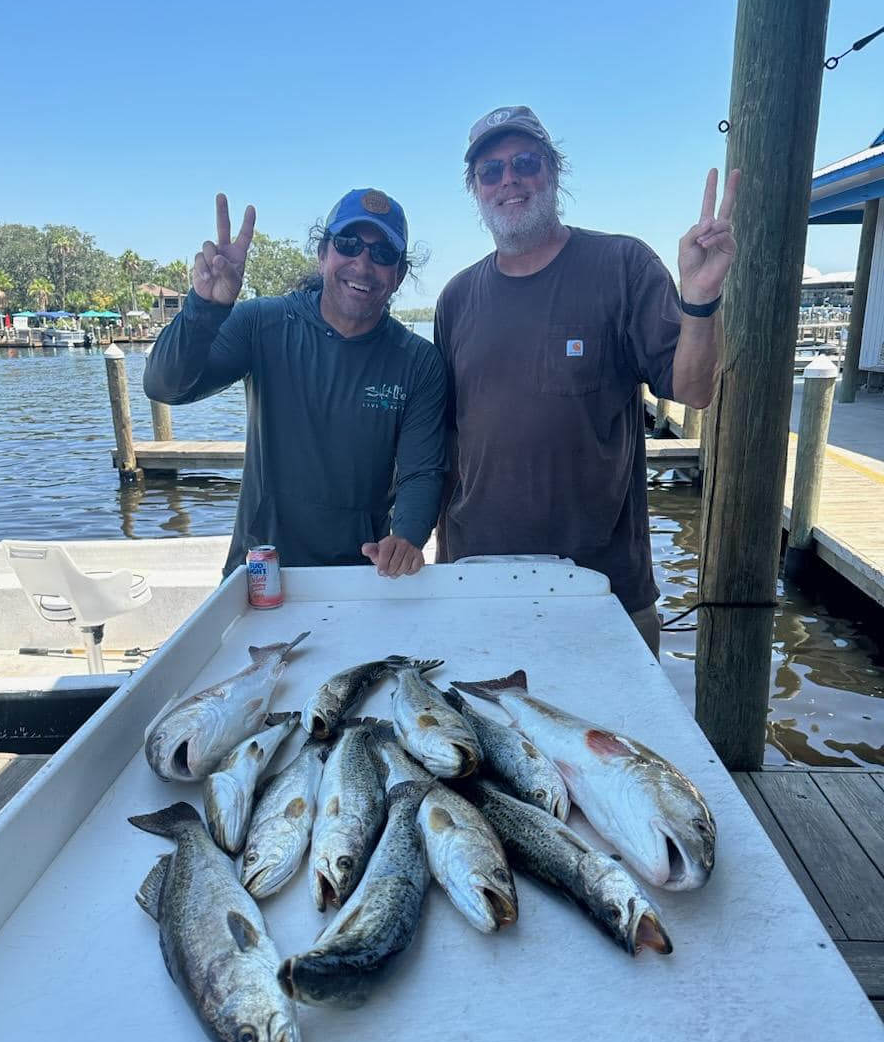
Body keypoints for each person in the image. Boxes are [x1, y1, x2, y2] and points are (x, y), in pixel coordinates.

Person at [434, 105, 740, 656]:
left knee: (618, 741)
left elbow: (694, 390)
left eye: (525, 162)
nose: (509, 180)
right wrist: (439, 560)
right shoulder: (456, 298)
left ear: (553, 171)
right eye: (490, 170)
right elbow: (447, 439)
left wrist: (700, 301)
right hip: (476, 575)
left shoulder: (623, 264)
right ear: (475, 187)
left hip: (602, 583)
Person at [144, 189, 447, 579]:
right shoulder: (260, 324)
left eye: (383, 253)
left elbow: (421, 471)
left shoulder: (418, 361)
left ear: (399, 275)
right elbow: (165, 386)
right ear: (323, 255)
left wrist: (407, 536)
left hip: (361, 573)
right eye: (349, 244)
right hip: (263, 572)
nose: (363, 263)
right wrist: (205, 307)